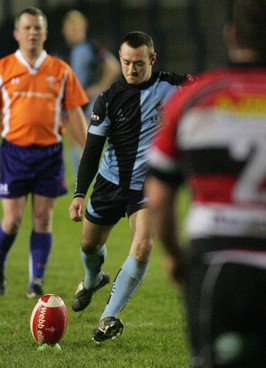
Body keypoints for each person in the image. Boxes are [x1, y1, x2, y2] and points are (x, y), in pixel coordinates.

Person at [145, 0, 266, 368]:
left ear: (231, 35)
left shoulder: (197, 97)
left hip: (220, 265)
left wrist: (174, 254)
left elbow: (158, 194)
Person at [69, 31, 194, 343]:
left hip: (148, 188)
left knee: (142, 246)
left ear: (151, 59)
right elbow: (92, 150)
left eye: (138, 63)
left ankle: (107, 317)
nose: (132, 69)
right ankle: (92, 279)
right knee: (89, 245)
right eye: (126, 63)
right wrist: (79, 193)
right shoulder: (109, 99)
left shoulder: (174, 85)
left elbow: (207, 89)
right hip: (110, 183)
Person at [0, 7, 88, 298]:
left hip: (50, 155)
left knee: (43, 218)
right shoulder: (3, 69)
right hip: (13, 153)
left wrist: (89, 149)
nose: (32, 33)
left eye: (37, 28)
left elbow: (74, 113)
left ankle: (35, 281)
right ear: (17, 33)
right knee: (11, 220)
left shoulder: (60, 71)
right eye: (27, 28)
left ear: (45, 33)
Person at [56, 10, 121, 181]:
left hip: (88, 99)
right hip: (69, 101)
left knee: (84, 136)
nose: (72, 31)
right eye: (69, 27)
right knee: (71, 136)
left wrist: (100, 87)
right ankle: (81, 177)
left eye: (76, 27)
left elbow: (113, 66)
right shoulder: (62, 51)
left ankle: (98, 175)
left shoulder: (91, 47)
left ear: (83, 28)